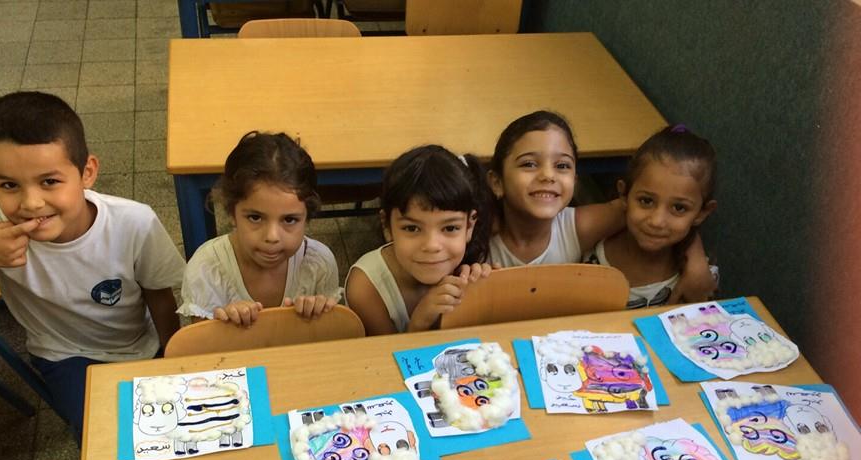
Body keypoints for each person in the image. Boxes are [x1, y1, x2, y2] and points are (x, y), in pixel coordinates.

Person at [0, 91, 186, 442]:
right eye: (9, 185)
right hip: (65, 356)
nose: (31, 203)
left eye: (49, 181)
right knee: (107, 440)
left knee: (174, 430)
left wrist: (172, 355)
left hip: (144, 345)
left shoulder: (134, 223)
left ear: (87, 172)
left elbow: (159, 295)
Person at [487, 110, 716, 298]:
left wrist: (696, 262)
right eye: (529, 164)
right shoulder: (478, 228)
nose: (548, 175)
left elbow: (661, 216)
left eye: (562, 166)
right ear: (496, 182)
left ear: (575, 181)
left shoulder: (579, 227)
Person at [178, 131, 340, 327]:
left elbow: (333, 337)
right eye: (255, 217)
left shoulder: (319, 265)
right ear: (232, 213)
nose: (272, 237)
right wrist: (224, 328)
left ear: (307, 218)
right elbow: (200, 343)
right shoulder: (206, 270)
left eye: (289, 220)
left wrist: (319, 316)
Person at [345, 145, 493, 335]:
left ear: (469, 226)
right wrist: (420, 322)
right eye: (412, 228)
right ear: (386, 226)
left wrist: (486, 289)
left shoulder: (467, 265)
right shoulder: (365, 287)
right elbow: (384, 353)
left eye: (450, 228)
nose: (432, 246)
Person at [585, 126, 718, 307]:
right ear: (623, 195)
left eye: (679, 208)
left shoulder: (700, 281)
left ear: (702, 213)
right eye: (646, 201)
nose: (657, 221)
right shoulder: (588, 246)